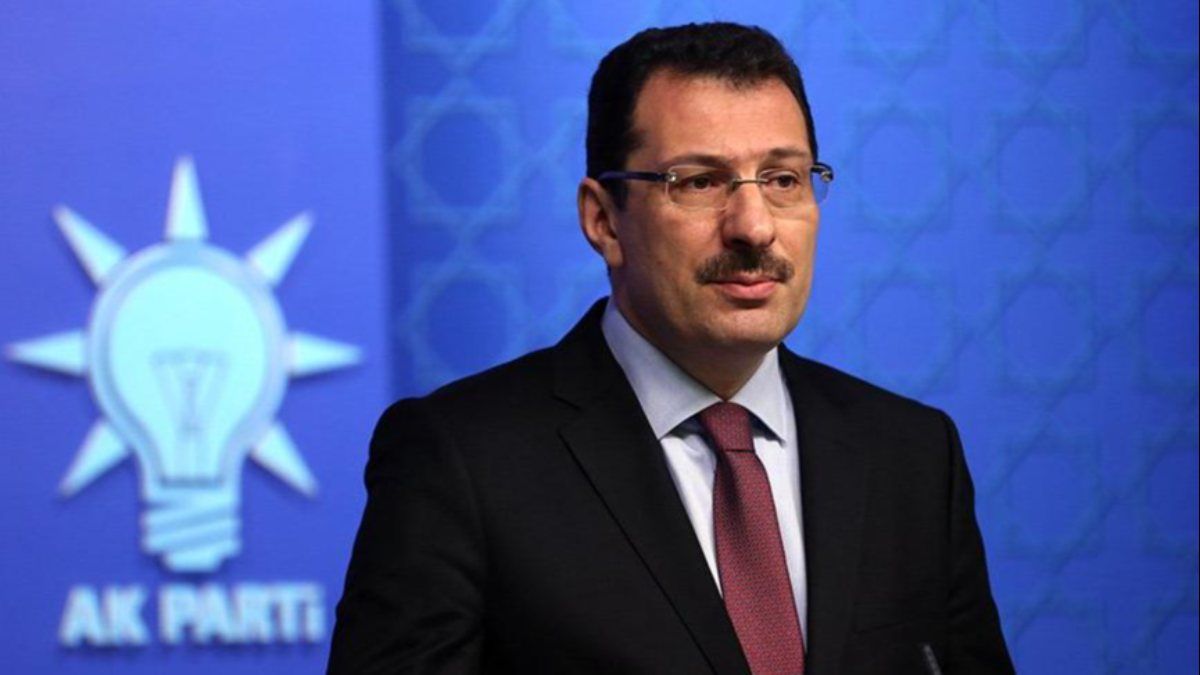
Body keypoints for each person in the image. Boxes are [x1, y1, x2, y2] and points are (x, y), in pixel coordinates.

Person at [328, 22, 1014, 674]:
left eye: (782, 180)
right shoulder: (462, 460)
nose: (753, 227)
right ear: (604, 220)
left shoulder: (912, 454)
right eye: (699, 182)